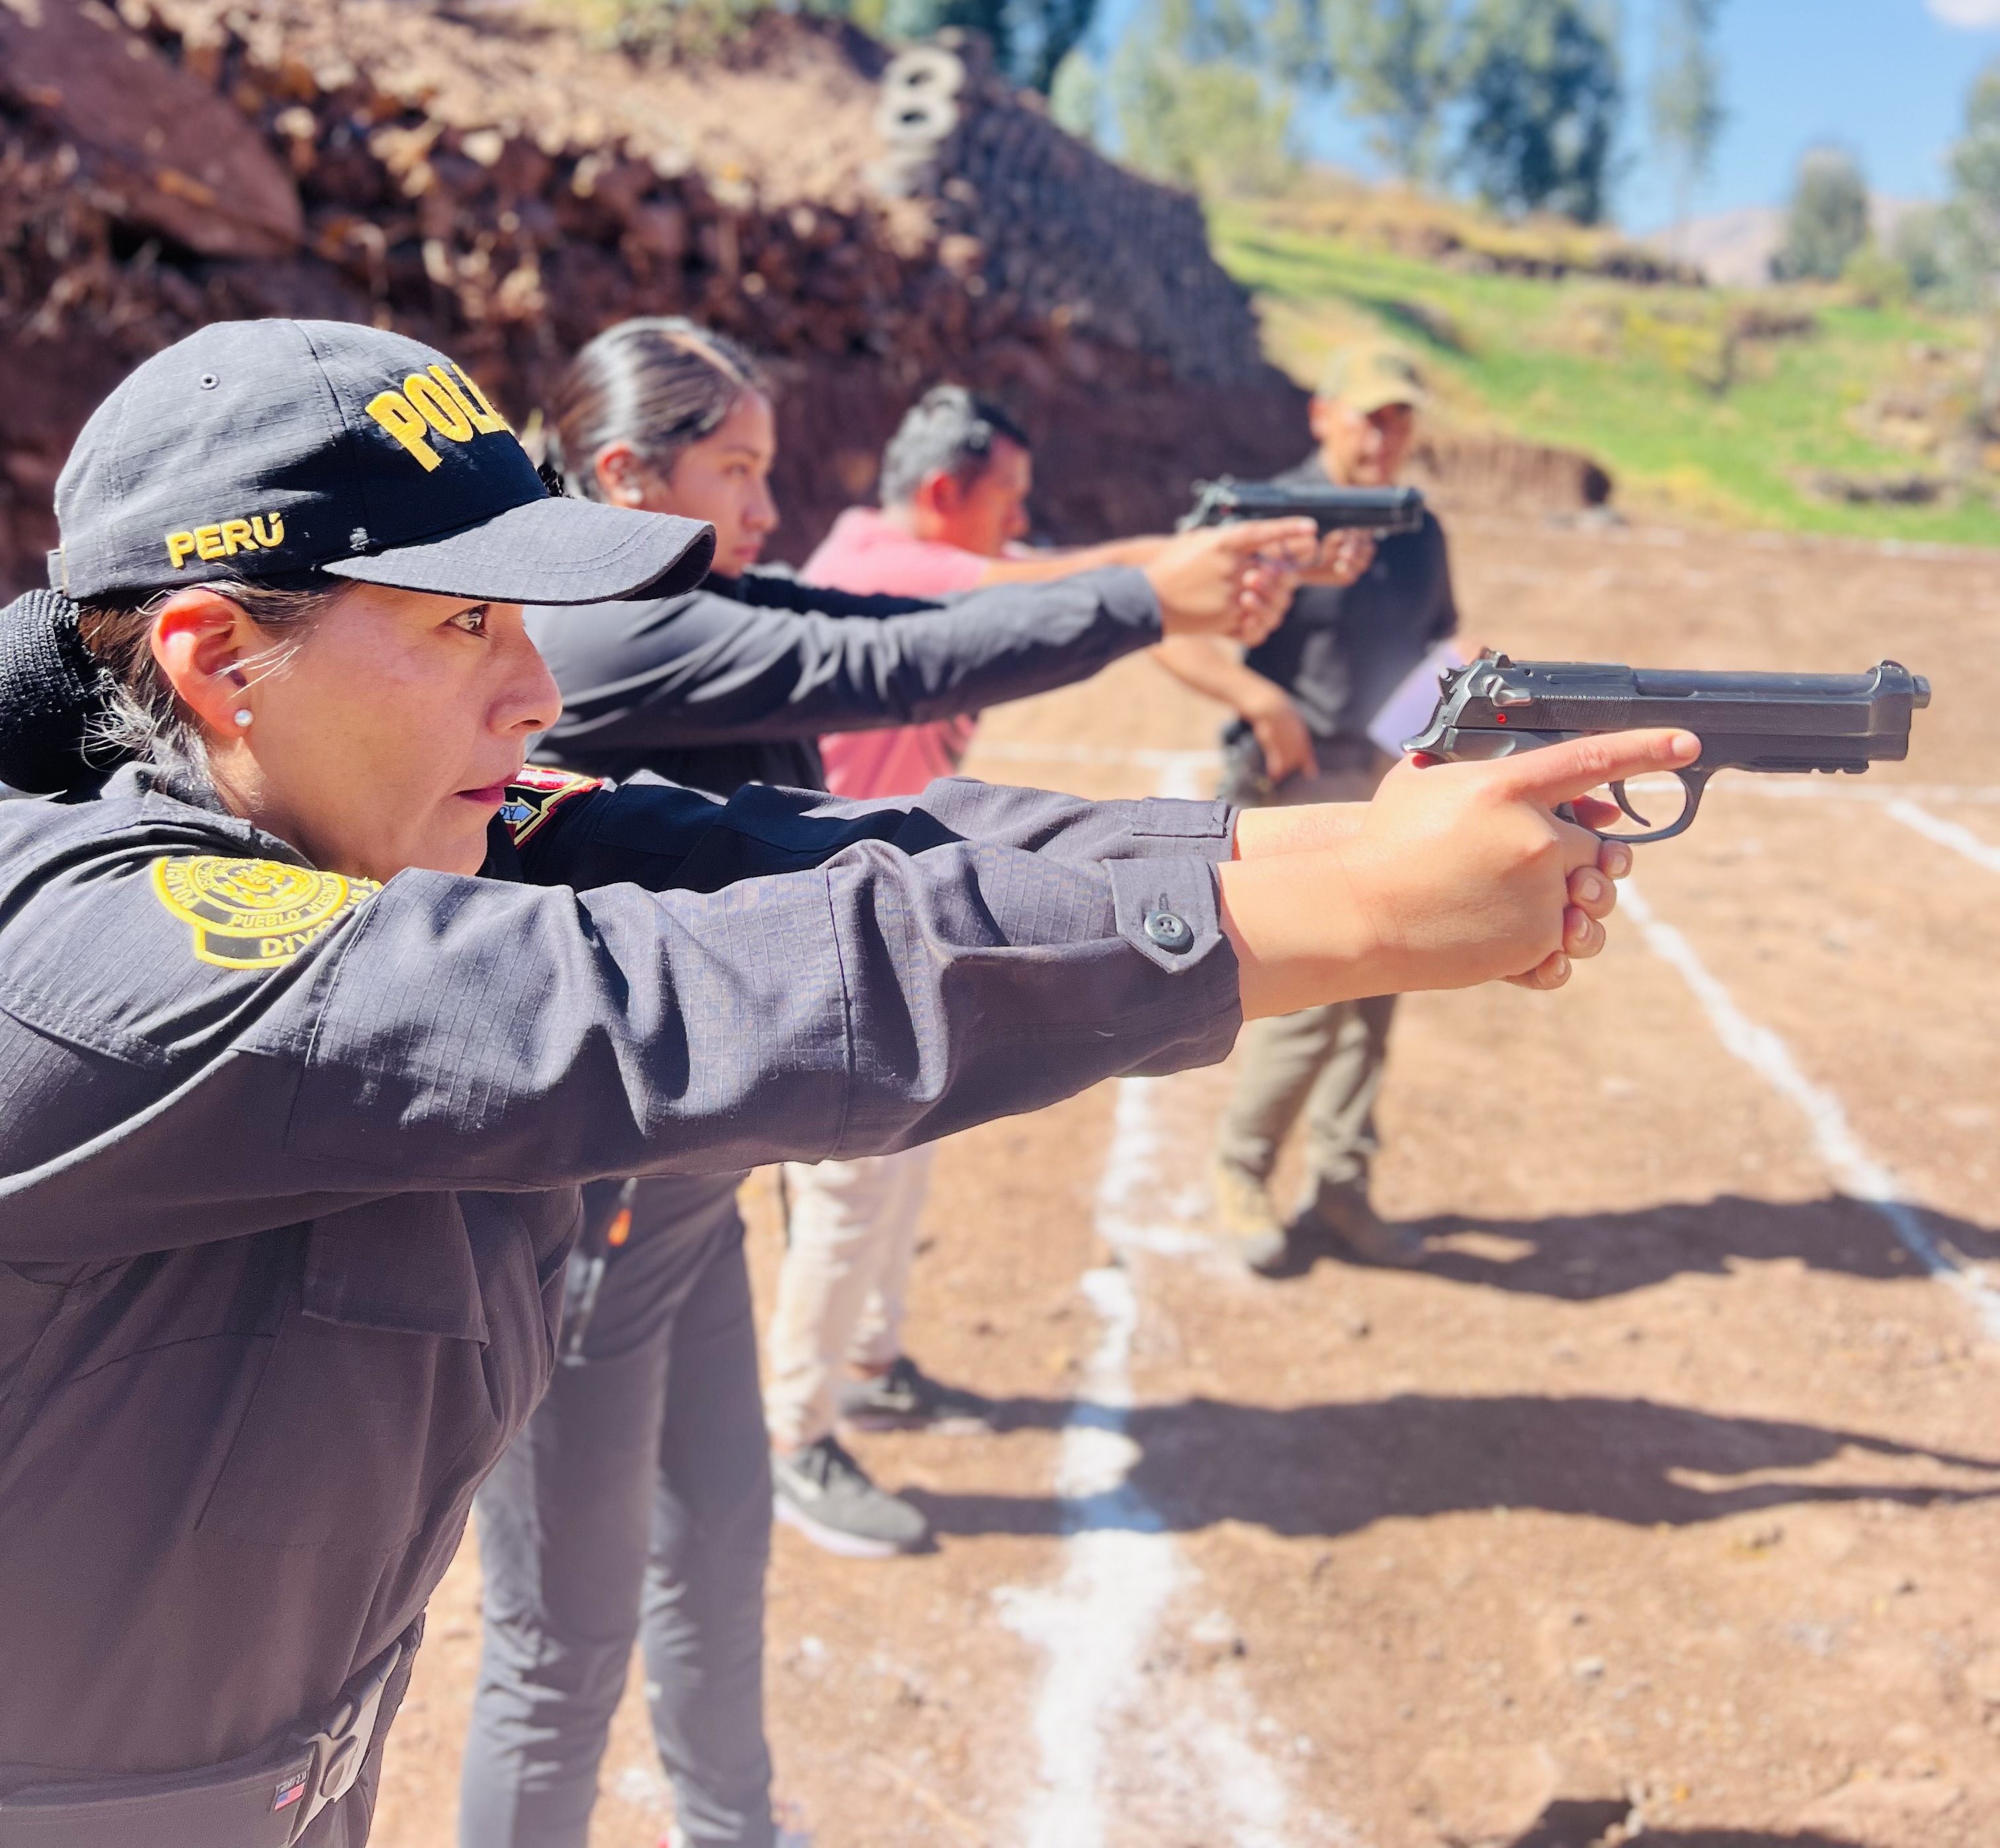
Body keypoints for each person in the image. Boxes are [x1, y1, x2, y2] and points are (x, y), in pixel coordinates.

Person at [0, 312, 1675, 1846]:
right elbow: (689, 993)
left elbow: (820, 850)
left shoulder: (378, 822)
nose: (535, 689)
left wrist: (1334, 866)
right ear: (221, 661)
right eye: (461, 625)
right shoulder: (103, 955)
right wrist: (1334, 910)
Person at [462, 323, 1308, 1844]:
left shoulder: (684, 595)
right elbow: (875, 658)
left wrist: (1141, 582)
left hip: (687, 1198)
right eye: (739, 473)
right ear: (621, 475)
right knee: (557, 1649)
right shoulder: (597, 630)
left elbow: (858, 607)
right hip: (583, 1225)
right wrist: (1139, 600)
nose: (769, 509)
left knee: (718, 1547)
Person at [760, 384, 1215, 1560]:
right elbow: (1054, 588)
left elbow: (1040, 576)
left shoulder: (916, 556)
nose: (1021, 523)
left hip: (872, 894)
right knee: (849, 1177)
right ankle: (791, 1436)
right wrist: (1172, 566)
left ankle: (869, 1364)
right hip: (815, 911)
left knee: (902, 1145)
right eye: (1006, 500)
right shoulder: (885, 561)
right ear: (947, 493)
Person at [1161, 345, 1460, 1277]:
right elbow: (1165, 626)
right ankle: (1243, 1175)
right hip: (1284, 791)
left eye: (1401, 417)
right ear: (1322, 415)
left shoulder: (1420, 529)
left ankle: (1341, 1188)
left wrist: (1424, 726)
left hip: (1379, 785)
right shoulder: (1264, 515)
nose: (1386, 435)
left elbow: (1440, 641)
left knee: (1378, 1004)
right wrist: (1263, 704)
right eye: (1371, 415)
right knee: (1303, 1005)